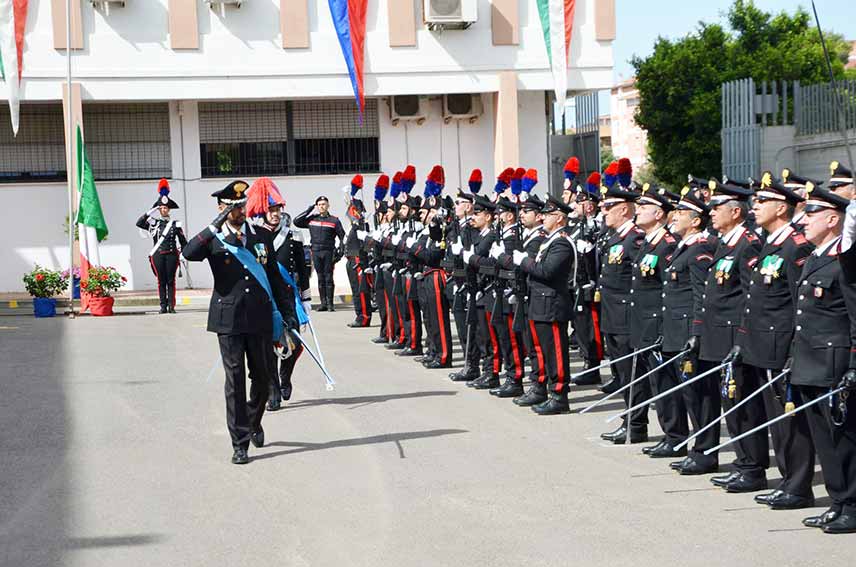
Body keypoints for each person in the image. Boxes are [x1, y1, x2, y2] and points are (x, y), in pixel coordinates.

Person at [182, 180, 297, 465]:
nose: (240, 210)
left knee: (262, 377)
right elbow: (188, 253)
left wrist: (287, 312)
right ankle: (240, 442)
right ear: (222, 209)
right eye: (233, 207)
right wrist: (214, 224)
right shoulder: (214, 239)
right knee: (234, 380)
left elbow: (273, 276)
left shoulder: (260, 236)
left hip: (259, 317)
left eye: (242, 205)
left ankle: (253, 419)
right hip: (228, 320)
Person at [730, 173, 815, 506]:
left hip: (781, 345)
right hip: (762, 344)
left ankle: (798, 486)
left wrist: (796, 348)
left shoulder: (796, 245)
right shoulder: (770, 243)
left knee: (790, 419)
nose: (755, 205)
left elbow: (799, 303)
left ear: (782, 207)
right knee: (777, 421)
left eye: (762, 201)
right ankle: (786, 480)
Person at [790, 183, 856, 533]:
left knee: (842, 439)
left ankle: (852, 504)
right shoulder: (814, 257)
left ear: (833, 219)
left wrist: (854, 364)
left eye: (811, 213)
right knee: (823, 439)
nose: (803, 220)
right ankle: (838, 500)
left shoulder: (844, 258)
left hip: (834, 363)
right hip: (809, 361)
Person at [687, 180, 761, 483]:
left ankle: (751, 468)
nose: (712, 213)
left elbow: (749, 297)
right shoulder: (725, 243)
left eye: (718, 208)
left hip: (734, 335)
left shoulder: (748, 243)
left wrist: (742, 339)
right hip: (718, 335)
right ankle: (744, 464)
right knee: (730, 404)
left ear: (735, 211)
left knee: (742, 404)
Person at [497, 195, 575, 415]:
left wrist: (523, 260)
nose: (544, 218)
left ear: (559, 218)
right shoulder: (550, 240)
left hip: (552, 304)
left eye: (548, 215)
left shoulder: (562, 243)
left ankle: (559, 395)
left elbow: (546, 271)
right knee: (540, 349)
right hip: (539, 302)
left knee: (556, 352)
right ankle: (544, 390)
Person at [660, 188, 717, 464]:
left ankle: (704, 451)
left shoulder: (701, 249)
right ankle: (689, 446)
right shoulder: (682, 248)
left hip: (687, 332)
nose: (675, 216)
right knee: (687, 393)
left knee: (698, 396)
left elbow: (700, 296)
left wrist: (695, 333)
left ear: (695, 220)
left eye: (681, 212)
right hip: (674, 330)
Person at [629, 185, 679, 448]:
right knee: (654, 380)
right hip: (643, 321)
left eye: (644, 207)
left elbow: (667, 289)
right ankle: (669, 434)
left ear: (659, 213)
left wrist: (662, 325)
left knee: (664, 381)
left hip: (657, 322)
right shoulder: (648, 241)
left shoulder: (667, 245)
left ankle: (675, 436)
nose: (637, 212)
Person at [597, 183, 647, 442]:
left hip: (626, 317)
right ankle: (630, 420)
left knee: (633, 375)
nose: (603, 211)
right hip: (611, 316)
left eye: (609, 207)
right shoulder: (615, 237)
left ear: (624, 209)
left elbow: (641, 281)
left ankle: (635, 425)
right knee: (623, 374)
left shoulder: (634, 238)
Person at [136, 179, 187, 314]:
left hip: (171, 255)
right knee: (161, 281)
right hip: (158, 255)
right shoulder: (154, 223)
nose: (164, 210)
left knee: (171, 281)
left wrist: (183, 254)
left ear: (169, 209)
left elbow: (183, 241)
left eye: (166, 208)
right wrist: (150, 211)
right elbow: (139, 223)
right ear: (159, 210)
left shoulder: (176, 224)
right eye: (161, 208)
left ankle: (171, 306)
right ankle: (163, 306)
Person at [294, 195, 346, 311]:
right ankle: (323, 304)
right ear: (316, 206)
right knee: (320, 277)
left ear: (328, 205)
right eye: (319, 205)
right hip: (316, 251)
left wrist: (340, 252)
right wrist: (309, 209)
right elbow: (296, 221)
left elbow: (343, 237)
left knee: (328, 277)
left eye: (323, 204)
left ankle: (330, 304)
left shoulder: (334, 220)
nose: (321, 207)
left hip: (328, 252)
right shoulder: (312, 219)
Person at [344, 174, 373, 327]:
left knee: (360, 290)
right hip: (350, 258)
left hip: (357, 259)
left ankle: (364, 317)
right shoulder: (351, 226)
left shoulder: (361, 225)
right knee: (355, 288)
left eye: (351, 210)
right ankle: (359, 315)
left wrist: (353, 200)